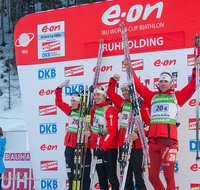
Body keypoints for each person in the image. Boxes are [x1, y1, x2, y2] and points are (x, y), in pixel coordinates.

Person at [123, 57, 200, 190]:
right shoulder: (152, 96)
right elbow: (137, 85)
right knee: (152, 178)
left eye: (166, 81)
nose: (163, 84)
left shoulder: (177, 97)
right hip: (153, 143)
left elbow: (192, 85)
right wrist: (130, 68)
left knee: (169, 177)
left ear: (171, 84)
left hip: (169, 143)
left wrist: (196, 67)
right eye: (161, 81)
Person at [107, 75, 150, 190]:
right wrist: (113, 80)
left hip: (136, 146)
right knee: (126, 177)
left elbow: (150, 125)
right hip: (122, 144)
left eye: (126, 90)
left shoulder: (142, 105)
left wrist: (139, 134)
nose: (124, 93)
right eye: (122, 90)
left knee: (138, 176)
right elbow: (110, 93)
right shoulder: (122, 103)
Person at [55, 79, 91, 190]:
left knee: (84, 176)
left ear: (80, 102)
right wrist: (60, 88)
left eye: (74, 101)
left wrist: (90, 131)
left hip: (83, 146)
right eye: (71, 101)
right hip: (70, 146)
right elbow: (58, 102)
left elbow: (93, 125)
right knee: (71, 175)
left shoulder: (87, 112)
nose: (72, 103)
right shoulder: (70, 110)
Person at [83, 85, 119, 190]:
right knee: (101, 177)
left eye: (98, 94)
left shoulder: (110, 109)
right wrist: (90, 133)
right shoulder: (96, 109)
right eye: (94, 95)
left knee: (111, 177)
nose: (96, 97)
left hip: (108, 148)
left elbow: (112, 132)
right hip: (97, 147)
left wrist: (103, 148)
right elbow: (95, 128)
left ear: (104, 96)